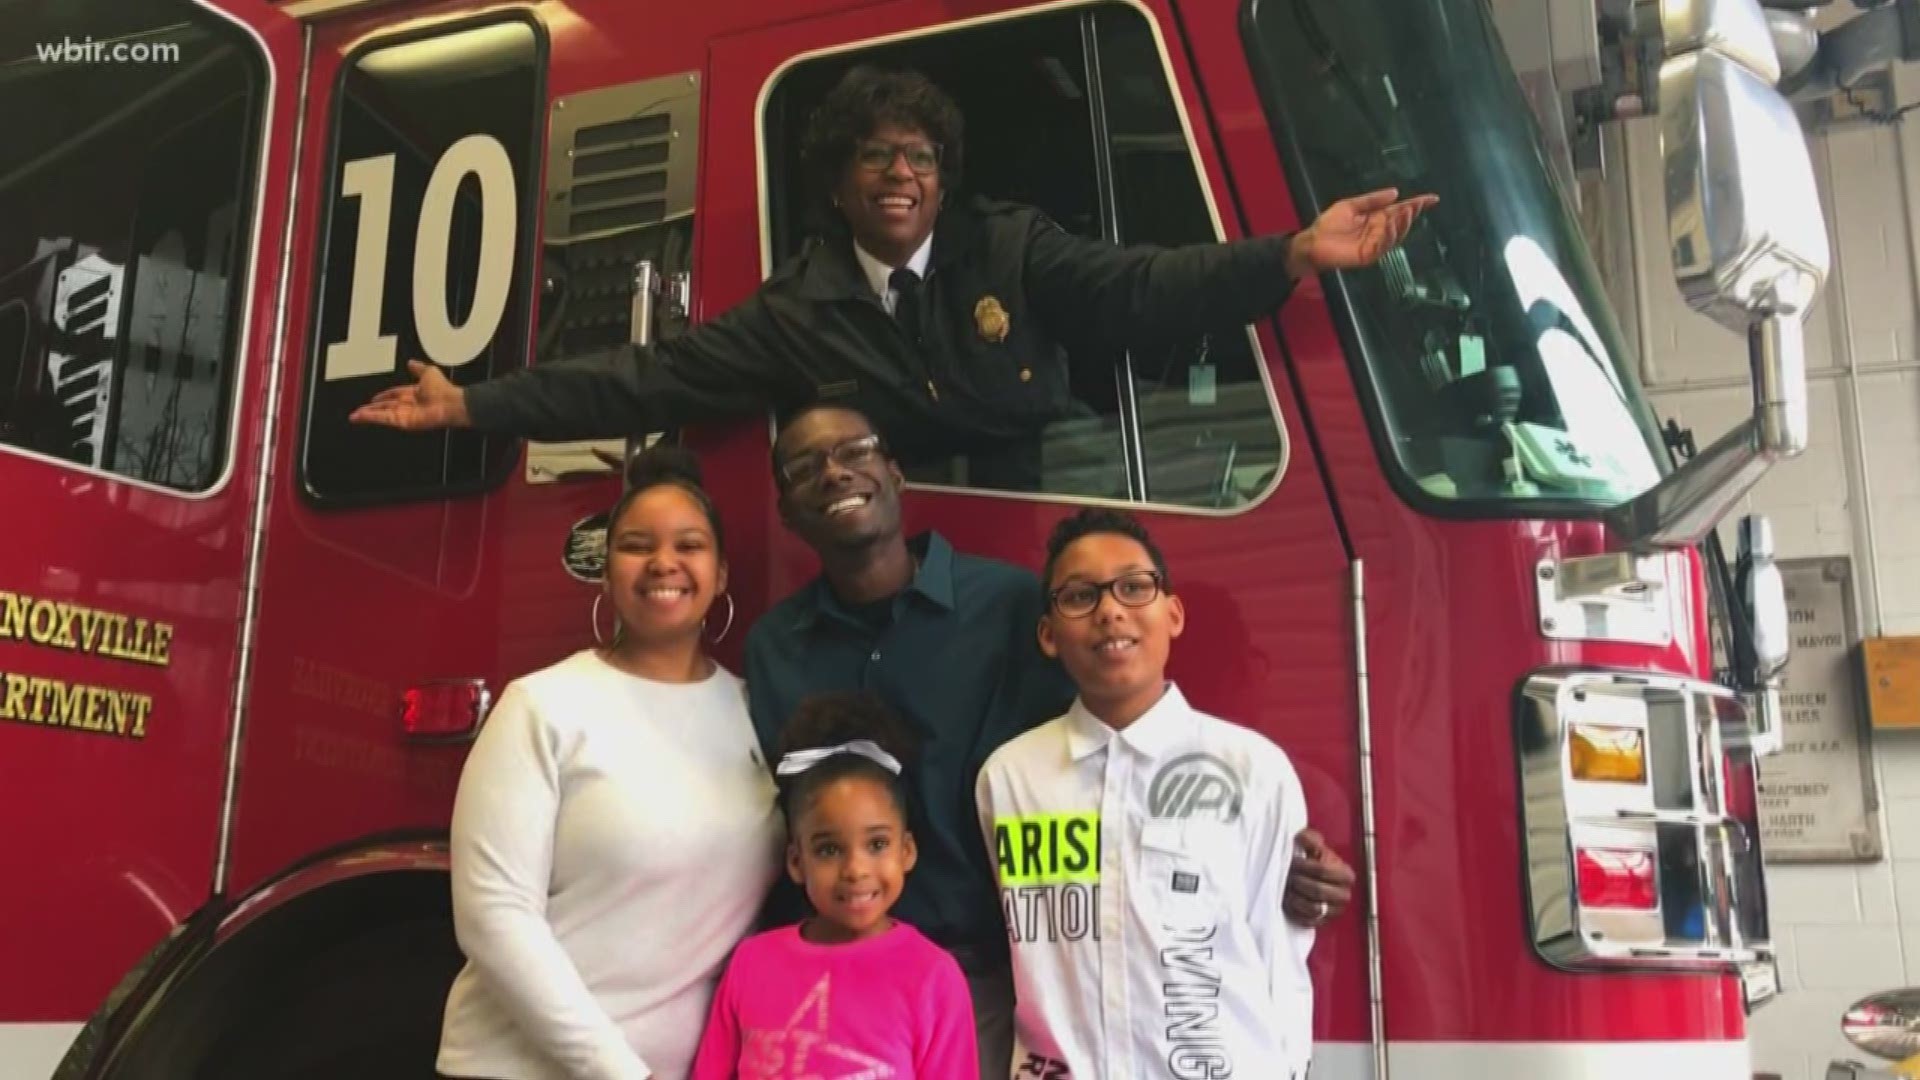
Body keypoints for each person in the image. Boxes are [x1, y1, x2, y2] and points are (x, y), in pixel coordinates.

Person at [348, 66, 1435, 486]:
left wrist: (1291, 254)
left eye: (920, 157)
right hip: (897, 575)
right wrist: (473, 402)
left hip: (1035, 536)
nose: (902, 174)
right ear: (840, 183)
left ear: (943, 176)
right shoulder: (796, 310)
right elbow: (648, 379)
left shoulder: (1010, 249)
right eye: (878, 155)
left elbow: (1139, 286)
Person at [744, 403, 1352, 1080]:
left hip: (990, 980)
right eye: (805, 466)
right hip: (847, 983)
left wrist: (1263, 855)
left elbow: (1118, 736)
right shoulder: (774, 649)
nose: (834, 473)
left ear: (895, 470)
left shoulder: (1007, 606)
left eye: (855, 450)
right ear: (785, 510)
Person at [437, 446, 783, 1080]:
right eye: (635, 545)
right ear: (605, 574)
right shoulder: (541, 707)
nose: (663, 563)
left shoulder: (753, 712)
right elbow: (494, 919)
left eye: (689, 545)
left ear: (723, 573)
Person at [975, 507, 1316, 1079]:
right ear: (1049, 634)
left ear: (1173, 613)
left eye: (1134, 587)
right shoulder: (1010, 779)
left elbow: (1280, 960)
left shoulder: (1254, 769)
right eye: (1080, 596)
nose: (1110, 610)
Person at [691, 691, 977, 1079]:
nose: (856, 869)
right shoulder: (750, 964)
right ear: (796, 861)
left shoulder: (934, 978)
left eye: (877, 844)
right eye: (828, 850)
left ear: (906, 850)